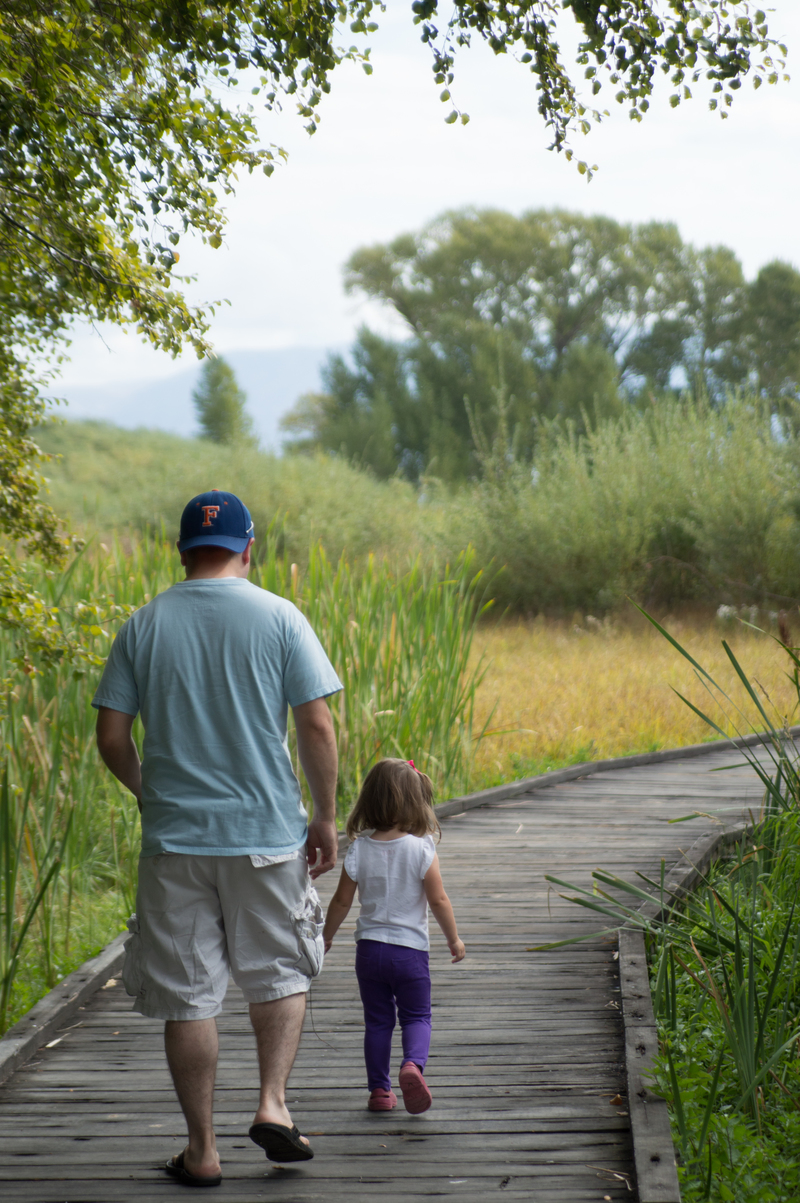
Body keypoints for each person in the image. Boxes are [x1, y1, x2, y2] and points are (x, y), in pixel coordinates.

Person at [93, 489, 342, 1188]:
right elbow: (316, 725)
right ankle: (273, 1103)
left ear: (182, 551)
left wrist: (149, 792)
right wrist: (325, 815)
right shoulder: (281, 616)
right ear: (248, 547)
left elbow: (111, 736)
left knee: (188, 995)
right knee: (280, 971)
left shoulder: (143, 624)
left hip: (175, 841)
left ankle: (201, 1150)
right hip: (266, 835)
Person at [322, 758, 465, 1115]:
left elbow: (341, 901)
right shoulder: (421, 848)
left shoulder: (359, 849)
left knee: (378, 1021)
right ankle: (412, 1065)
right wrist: (453, 939)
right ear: (416, 801)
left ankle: (380, 1092)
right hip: (410, 953)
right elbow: (439, 900)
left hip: (369, 952)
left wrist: (325, 936)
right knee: (416, 1016)